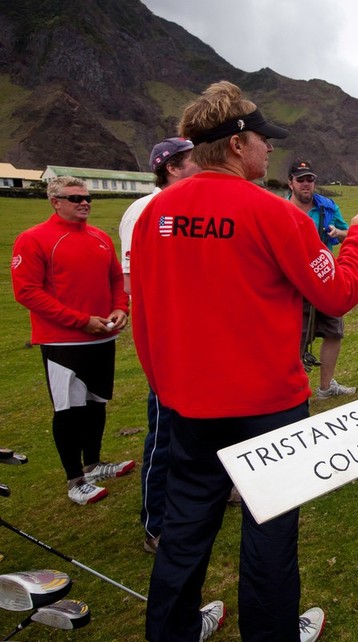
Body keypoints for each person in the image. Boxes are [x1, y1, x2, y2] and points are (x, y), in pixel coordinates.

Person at [130, 80, 358, 642]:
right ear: (239, 143)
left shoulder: (153, 215)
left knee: (186, 517)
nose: (269, 152)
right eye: (263, 142)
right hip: (267, 402)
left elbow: (141, 312)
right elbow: (337, 290)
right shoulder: (273, 211)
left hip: (186, 400)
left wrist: (166, 385)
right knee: (269, 521)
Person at [11, 176, 135, 505]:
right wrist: (80, 321)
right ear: (55, 201)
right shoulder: (34, 239)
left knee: (96, 405)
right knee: (69, 411)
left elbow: (114, 279)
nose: (84, 203)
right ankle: (74, 479)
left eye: (88, 197)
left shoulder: (99, 238)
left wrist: (120, 308)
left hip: (101, 338)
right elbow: (27, 292)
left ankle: (94, 465)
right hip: (64, 342)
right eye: (75, 198)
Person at [118, 137, 200, 554]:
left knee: (206, 426)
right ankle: (157, 523)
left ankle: (212, 493)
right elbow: (138, 284)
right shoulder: (146, 211)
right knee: (165, 431)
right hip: (170, 344)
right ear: (171, 167)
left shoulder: (190, 204)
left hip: (201, 339)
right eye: (193, 161)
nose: (202, 166)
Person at [286, 160, 357, 399]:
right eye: (301, 179)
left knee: (333, 332)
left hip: (327, 278)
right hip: (294, 283)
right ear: (290, 183)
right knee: (295, 335)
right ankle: (294, 390)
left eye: (310, 179)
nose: (306, 184)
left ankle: (326, 388)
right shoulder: (280, 209)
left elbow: (350, 233)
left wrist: (338, 233)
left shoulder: (328, 207)